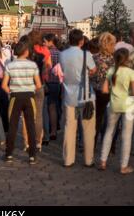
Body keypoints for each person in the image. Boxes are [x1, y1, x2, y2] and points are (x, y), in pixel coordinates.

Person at [60, 29, 97, 167]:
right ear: (81, 41)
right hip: (86, 95)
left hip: (70, 95)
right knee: (88, 129)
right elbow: (93, 70)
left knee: (70, 128)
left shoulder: (63, 54)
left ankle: (68, 159)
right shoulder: (86, 54)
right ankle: (88, 160)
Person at [2, 39, 42, 164]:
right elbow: (39, 85)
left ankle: (9, 154)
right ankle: (32, 156)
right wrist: (30, 90)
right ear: (26, 52)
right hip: (29, 96)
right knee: (31, 125)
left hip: (15, 96)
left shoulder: (10, 65)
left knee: (12, 126)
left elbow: (4, 85)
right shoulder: (32, 65)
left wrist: (11, 91)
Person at [99, 48, 134, 174]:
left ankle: (103, 161)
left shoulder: (111, 70)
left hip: (113, 105)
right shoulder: (130, 72)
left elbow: (104, 90)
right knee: (126, 136)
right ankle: (123, 166)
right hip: (129, 106)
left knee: (109, 132)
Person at [91, 32, 116, 146]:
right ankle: (108, 144)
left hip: (96, 90)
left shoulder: (94, 57)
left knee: (96, 118)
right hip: (110, 91)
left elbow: (89, 75)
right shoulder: (114, 60)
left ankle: (94, 142)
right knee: (109, 119)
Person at [43, 33, 62, 141]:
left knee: (46, 108)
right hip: (56, 83)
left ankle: (46, 130)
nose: (44, 44)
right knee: (54, 107)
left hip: (46, 82)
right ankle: (53, 131)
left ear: (51, 42)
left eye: (45, 41)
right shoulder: (60, 54)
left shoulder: (46, 53)